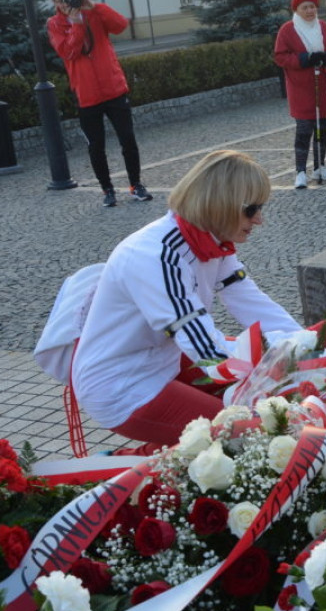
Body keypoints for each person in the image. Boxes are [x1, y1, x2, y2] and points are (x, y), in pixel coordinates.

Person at [71, 150, 303, 454]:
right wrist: (281, 355)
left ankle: (163, 457)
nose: (259, 220)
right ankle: (117, 467)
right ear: (222, 204)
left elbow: (250, 300)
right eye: (251, 209)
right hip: (121, 384)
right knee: (244, 435)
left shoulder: (212, 237)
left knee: (252, 405)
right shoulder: (157, 255)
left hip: (158, 358)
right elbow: (207, 350)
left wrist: (307, 343)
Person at [47, 0, 153, 208]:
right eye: (60, 0)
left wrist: (93, 7)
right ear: (54, 3)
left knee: (128, 139)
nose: (66, 4)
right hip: (86, 94)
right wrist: (75, 24)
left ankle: (136, 184)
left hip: (113, 88)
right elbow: (68, 52)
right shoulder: (55, 24)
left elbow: (120, 25)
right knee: (96, 146)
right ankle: (107, 190)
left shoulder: (93, 13)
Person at [274, 0, 326, 189]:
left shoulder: (324, 27)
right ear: (296, 9)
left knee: (323, 129)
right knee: (304, 131)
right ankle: (300, 171)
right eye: (305, 7)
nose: (309, 11)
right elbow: (280, 57)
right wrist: (303, 59)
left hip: (324, 87)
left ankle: (320, 165)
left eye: (312, 7)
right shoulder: (288, 30)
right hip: (301, 89)